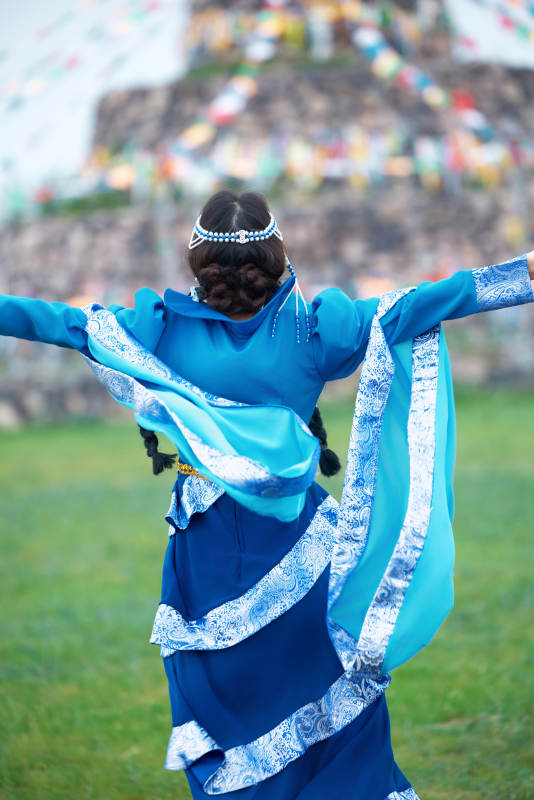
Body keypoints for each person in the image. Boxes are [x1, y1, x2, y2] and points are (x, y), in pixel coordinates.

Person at [1, 189, 533, 799]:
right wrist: (520, 275)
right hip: (300, 550)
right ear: (276, 253)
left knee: (226, 709)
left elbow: (52, 321)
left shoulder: (157, 330)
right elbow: (420, 304)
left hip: (205, 562)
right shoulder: (315, 329)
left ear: (198, 261)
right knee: (331, 706)